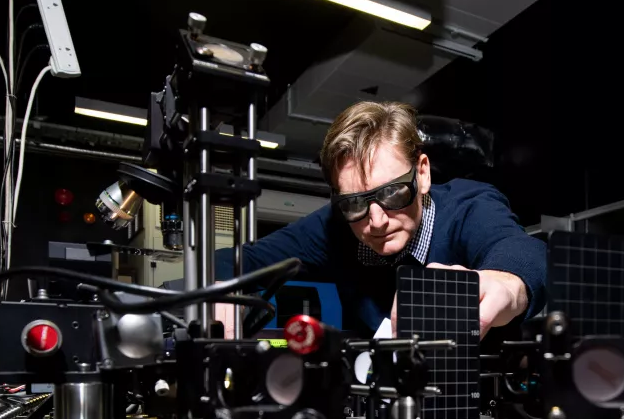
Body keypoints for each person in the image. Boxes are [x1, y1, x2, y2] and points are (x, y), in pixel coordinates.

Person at [214, 101, 545, 337]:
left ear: (422, 174)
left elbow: (519, 252)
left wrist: (506, 284)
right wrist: (222, 292)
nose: (376, 221)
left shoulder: (469, 207)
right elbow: (235, 262)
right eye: (355, 203)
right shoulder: (336, 227)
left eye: (392, 194)